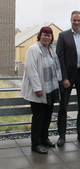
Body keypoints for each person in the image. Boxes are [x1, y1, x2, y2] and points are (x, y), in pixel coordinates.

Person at [56, 10, 80, 147]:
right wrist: (64, 77)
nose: (76, 22)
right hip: (67, 77)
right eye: (74, 20)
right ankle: (61, 136)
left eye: (79, 20)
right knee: (63, 107)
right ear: (70, 20)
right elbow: (59, 58)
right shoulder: (63, 36)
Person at [21, 26, 62, 154]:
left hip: (50, 91)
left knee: (47, 117)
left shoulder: (51, 50)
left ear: (52, 38)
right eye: (44, 34)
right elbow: (30, 69)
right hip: (38, 91)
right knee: (38, 118)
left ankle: (44, 139)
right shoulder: (33, 49)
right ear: (40, 36)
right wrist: (37, 88)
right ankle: (36, 144)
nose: (46, 37)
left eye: (49, 35)